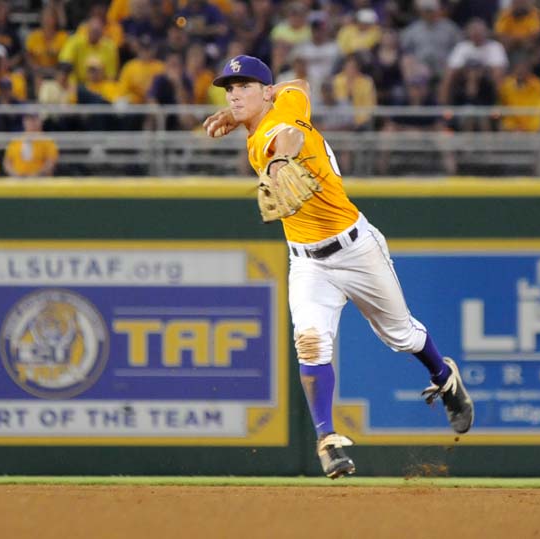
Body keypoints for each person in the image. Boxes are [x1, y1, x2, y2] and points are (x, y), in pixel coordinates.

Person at [202, 55, 474, 478]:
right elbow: (303, 84)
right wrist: (238, 117)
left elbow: (288, 137)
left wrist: (277, 162)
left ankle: (445, 377)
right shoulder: (287, 101)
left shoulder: (277, 127)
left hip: (355, 249)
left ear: (266, 92)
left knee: (401, 335)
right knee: (310, 341)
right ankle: (328, 440)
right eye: (229, 89)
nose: (235, 94)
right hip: (307, 263)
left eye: (245, 87)